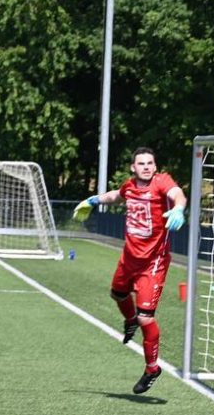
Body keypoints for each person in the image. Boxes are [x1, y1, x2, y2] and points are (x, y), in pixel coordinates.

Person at [72, 148, 187, 394]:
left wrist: (179, 208)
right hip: (129, 257)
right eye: (141, 164)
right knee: (117, 294)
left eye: (150, 163)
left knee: (146, 317)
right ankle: (130, 320)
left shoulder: (161, 182)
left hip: (152, 262)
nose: (146, 167)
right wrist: (93, 200)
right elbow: (117, 195)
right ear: (133, 167)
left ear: (155, 166)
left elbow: (177, 194)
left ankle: (152, 368)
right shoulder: (130, 186)